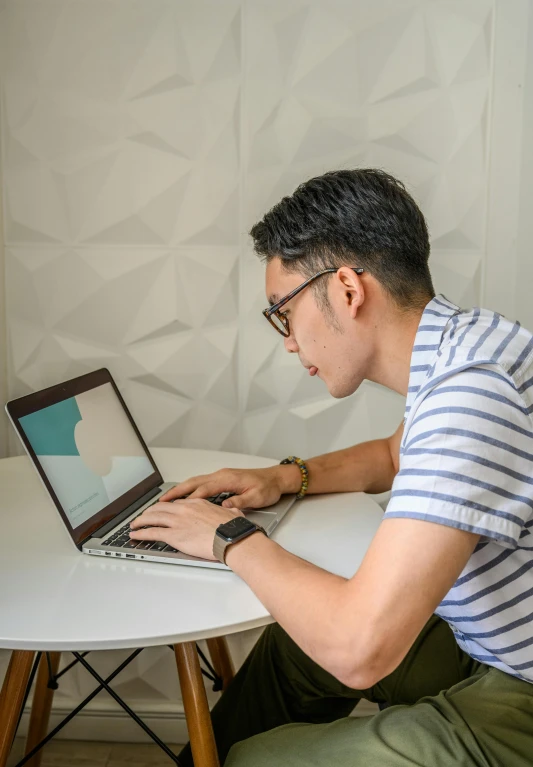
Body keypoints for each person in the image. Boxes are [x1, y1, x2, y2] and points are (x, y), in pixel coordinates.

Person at [129, 169, 533, 766]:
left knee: (260, 759)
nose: (288, 342)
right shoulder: (471, 342)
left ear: (346, 289)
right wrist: (283, 477)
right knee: (292, 645)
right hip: (489, 644)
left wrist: (229, 538)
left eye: (282, 313)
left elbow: (359, 649)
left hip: (519, 689)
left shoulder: (468, 399)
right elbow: (397, 455)